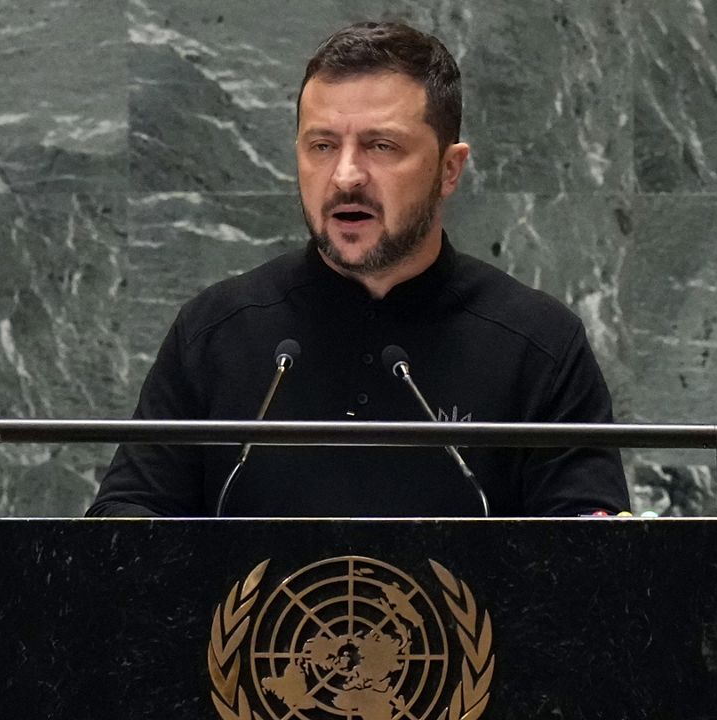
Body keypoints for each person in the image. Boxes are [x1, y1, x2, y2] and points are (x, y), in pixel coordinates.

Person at [87, 21, 629, 517]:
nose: (346, 176)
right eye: (322, 145)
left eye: (381, 145)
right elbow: (124, 535)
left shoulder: (540, 346)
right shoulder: (216, 333)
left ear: (449, 169)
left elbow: (588, 575)